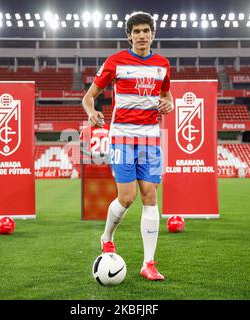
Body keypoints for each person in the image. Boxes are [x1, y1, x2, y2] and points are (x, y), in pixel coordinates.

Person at [82, 11, 174, 281]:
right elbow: (89, 97)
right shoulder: (116, 62)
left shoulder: (162, 65)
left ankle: (149, 263)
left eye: (146, 31)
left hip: (151, 139)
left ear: (153, 33)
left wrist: (170, 104)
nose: (142, 35)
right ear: (129, 36)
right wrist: (91, 112)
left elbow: (167, 96)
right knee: (127, 198)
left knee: (150, 196)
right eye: (137, 32)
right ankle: (107, 236)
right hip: (122, 137)